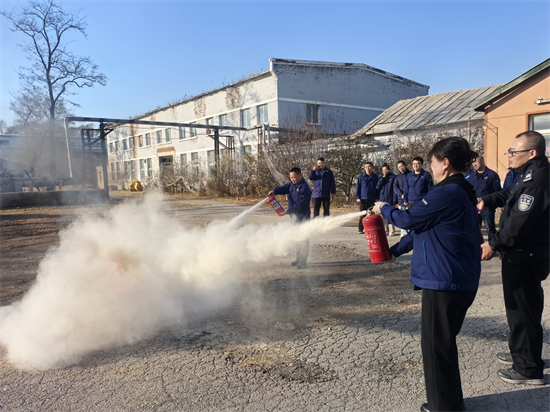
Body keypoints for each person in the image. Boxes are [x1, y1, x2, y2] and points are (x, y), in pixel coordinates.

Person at [373, 137, 480, 412]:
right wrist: (395, 250)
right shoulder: (459, 190)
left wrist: (383, 208)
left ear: (444, 163)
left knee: (436, 350)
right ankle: (450, 403)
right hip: (456, 278)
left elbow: (407, 220)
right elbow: (424, 228)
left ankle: (443, 407)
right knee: (442, 346)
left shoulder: (447, 192)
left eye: (432, 163)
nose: (430, 168)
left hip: (444, 281)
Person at [479, 131, 550, 386]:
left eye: (513, 152)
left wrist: (494, 245)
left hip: (524, 255)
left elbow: (519, 224)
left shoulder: (537, 180)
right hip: (523, 254)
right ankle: (521, 354)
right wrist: (484, 200)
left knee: (523, 311)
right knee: (521, 308)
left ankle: (529, 369)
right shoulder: (529, 174)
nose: (509, 156)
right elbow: (510, 193)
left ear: (532, 153)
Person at [268, 167, 312, 269]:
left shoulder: (305, 188)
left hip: (303, 217)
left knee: (303, 239)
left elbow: (300, 205)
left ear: (300, 176)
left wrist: (287, 212)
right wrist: (274, 191)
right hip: (294, 217)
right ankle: (298, 259)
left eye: (294, 177)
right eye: (291, 177)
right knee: (296, 237)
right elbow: (284, 188)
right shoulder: (292, 185)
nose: (292, 179)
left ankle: (303, 261)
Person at [464, 153, 502, 242]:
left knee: (490, 229)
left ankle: (492, 248)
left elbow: (498, 192)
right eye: (473, 163)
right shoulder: (471, 176)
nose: (474, 164)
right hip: (474, 207)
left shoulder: (492, 175)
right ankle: (477, 248)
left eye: (476, 162)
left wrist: (496, 206)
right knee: (474, 229)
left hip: (487, 207)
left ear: (482, 160)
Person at [355, 162, 379, 234]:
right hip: (363, 198)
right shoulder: (361, 177)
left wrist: (377, 198)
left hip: (372, 198)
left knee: (371, 214)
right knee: (362, 214)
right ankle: (360, 228)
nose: (368, 168)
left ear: (372, 167)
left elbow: (377, 188)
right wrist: (358, 197)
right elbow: (358, 188)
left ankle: (369, 228)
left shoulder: (375, 177)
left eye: (369, 167)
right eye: (366, 167)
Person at [376, 164, 398, 235]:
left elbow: (395, 189)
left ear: (389, 170)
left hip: (391, 199)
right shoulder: (381, 178)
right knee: (383, 216)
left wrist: (395, 200)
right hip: (383, 199)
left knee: (391, 215)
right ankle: (385, 230)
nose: (384, 171)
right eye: (383, 170)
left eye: (385, 170)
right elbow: (378, 187)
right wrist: (382, 179)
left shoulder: (393, 177)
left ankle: (392, 231)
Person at [393, 160, 411, 237]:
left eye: (402, 166)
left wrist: (408, 195)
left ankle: (410, 233)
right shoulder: (398, 177)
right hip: (401, 200)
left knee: (410, 216)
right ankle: (404, 233)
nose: (401, 168)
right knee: (402, 216)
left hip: (410, 200)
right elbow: (395, 188)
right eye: (399, 167)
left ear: (405, 165)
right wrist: (401, 194)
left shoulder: (411, 175)